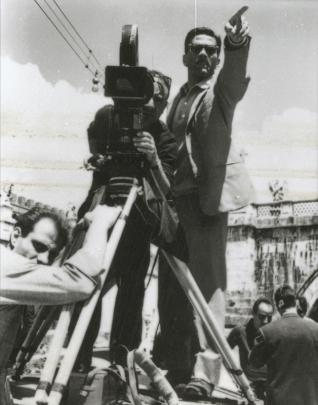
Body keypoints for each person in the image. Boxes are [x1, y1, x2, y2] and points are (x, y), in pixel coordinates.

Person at [159, 9, 254, 398]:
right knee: (172, 290)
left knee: (209, 289)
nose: (202, 57)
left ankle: (205, 372)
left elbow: (234, 77)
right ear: (184, 57)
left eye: (210, 52)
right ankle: (176, 362)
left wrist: (235, 44)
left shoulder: (220, 93)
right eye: (195, 50)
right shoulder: (177, 99)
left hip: (207, 202)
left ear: (216, 59)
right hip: (175, 202)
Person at [75, 69, 177, 369]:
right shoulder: (108, 118)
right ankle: (78, 360)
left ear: (162, 105)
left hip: (137, 223)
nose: (145, 106)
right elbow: (94, 146)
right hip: (102, 214)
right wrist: (99, 160)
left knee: (131, 294)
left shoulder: (164, 139)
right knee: (86, 284)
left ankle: (122, 363)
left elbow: (168, 189)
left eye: (155, 100)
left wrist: (153, 159)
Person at [0, 204, 121, 402]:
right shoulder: (5, 265)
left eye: (52, 254)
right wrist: (100, 222)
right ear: (15, 236)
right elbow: (78, 282)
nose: (44, 259)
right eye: (38, 246)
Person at [249, 285, 318, 405]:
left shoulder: (267, 332)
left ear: (279, 304)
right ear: (295, 304)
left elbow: (253, 364)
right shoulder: (315, 330)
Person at [227, 297, 273, 399]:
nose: (266, 321)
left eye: (269, 317)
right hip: (250, 386)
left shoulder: (275, 334)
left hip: (271, 386)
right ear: (254, 314)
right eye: (262, 317)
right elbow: (223, 351)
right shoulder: (240, 331)